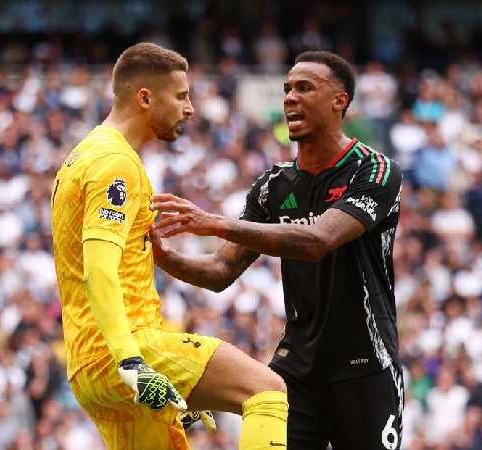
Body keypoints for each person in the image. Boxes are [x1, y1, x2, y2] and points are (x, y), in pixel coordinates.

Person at [150, 51, 404, 450]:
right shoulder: (273, 185)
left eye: (304, 88)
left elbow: (318, 240)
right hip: (297, 369)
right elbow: (220, 271)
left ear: (339, 101)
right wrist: (165, 258)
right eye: (287, 89)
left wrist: (214, 222)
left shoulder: (374, 170)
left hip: (365, 364)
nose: (289, 98)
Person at [50, 42, 288, 450]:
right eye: (181, 96)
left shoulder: (83, 155)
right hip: (122, 351)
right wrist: (133, 363)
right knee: (266, 391)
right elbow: (99, 270)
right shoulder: (115, 163)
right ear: (145, 98)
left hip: (89, 364)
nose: (190, 108)